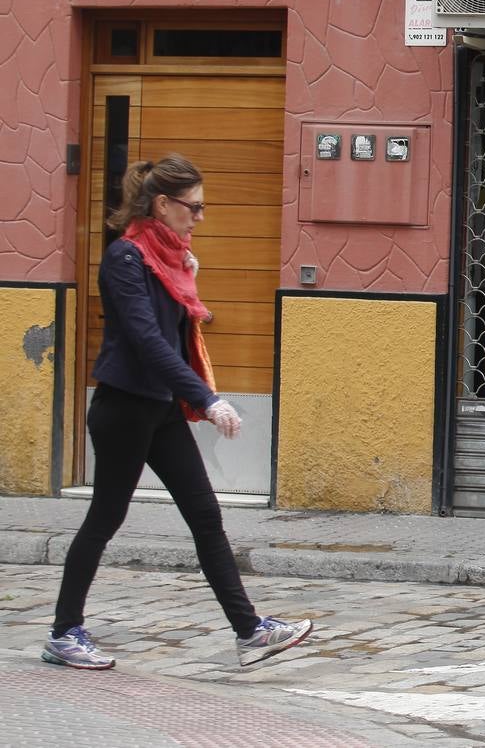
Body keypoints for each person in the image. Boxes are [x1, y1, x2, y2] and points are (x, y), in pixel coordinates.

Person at [42, 155, 312, 671]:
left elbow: (175, 331)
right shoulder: (125, 259)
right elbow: (146, 341)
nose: (200, 217)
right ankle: (63, 632)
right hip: (124, 408)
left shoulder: (170, 259)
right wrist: (208, 399)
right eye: (194, 207)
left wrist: (187, 290)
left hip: (159, 408)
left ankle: (250, 632)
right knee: (105, 517)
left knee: (205, 515)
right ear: (162, 204)